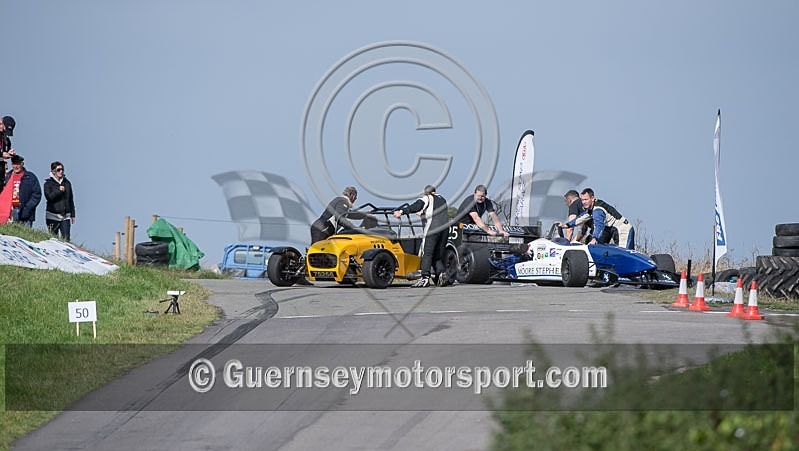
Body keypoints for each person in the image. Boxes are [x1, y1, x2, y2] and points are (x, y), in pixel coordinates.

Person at [393, 185, 449, 288]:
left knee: (427, 253)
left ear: (426, 192)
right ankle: (441, 273)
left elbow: (417, 206)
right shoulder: (442, 199)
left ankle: (425, 278)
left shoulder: (427, 198)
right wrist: (423, 213)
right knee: (437, 254)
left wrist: (401, 212)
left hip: (433, 228)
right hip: (445, 229)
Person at [558, 188, 635, 249]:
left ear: (592, 198)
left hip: (622, 230)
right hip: (612, 230)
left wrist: (594, 239)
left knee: (624, 255)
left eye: (586, 199)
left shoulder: (597, 210)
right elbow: (580, 218)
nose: (583, 202)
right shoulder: (591, 209)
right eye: (582, 200)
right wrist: (566, 225)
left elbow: (599, 226)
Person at [2, 154, 41, 227]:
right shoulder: (7, 177)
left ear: (22, 164)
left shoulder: (30, 177)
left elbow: (37, 194)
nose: (16, 166)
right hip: (10, 212)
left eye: (18, 164)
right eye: (14, 164)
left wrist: (27, 208)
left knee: (25, 233)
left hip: (26, 213)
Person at [44, 161, 76, 240]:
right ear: (53, 171)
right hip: (52, 215)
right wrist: (58, 190)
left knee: (66, 239)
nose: (61, 171)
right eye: (58, 170)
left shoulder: (67, 183)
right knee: (53, 239)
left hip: (65, 216)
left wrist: (73, 214)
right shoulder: (48, 184)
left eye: (62, 169)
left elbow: (70, 199)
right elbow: (49, 197)